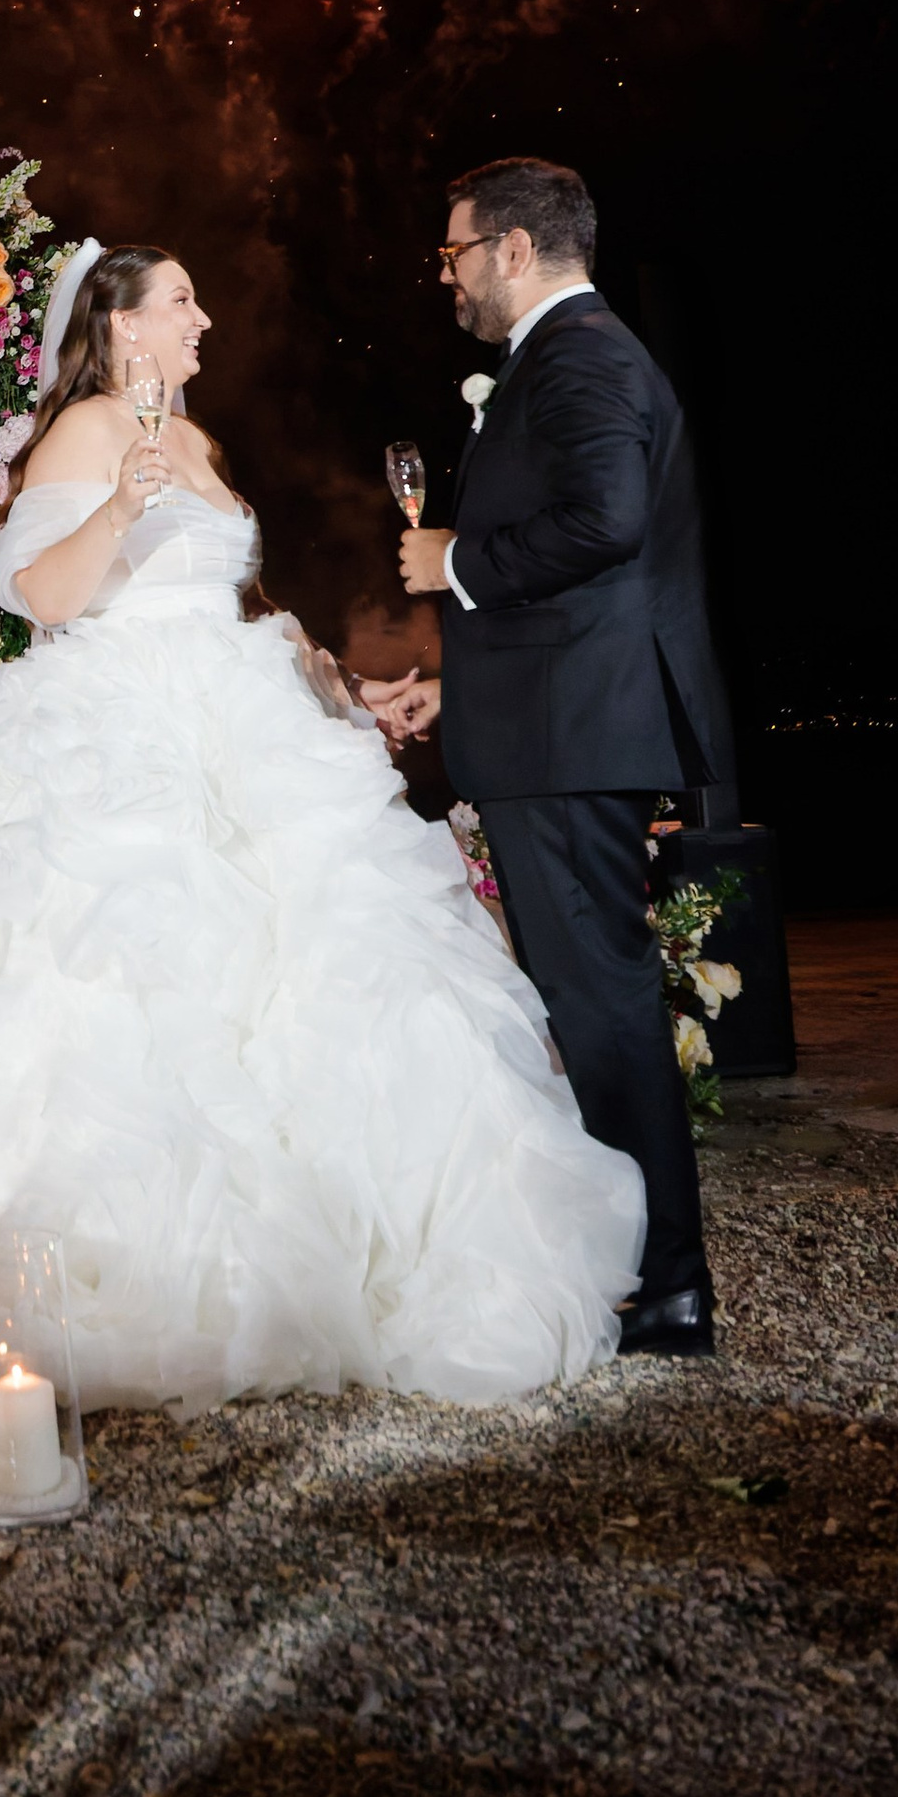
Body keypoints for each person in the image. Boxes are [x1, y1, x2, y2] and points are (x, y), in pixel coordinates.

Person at [0, 239, 646, 1411]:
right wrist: (119, 502)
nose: (206, 321)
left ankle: (353, 1254)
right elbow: (40, 595)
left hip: (243, 720)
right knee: (148, 975)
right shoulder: (88, 431)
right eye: (183, 302)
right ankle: (160, 1280)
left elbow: (242, 610)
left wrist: (350, 688)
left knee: (318, 963)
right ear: (123, 326)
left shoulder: (196, 439)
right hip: (117, 735)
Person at [394, 157, 731, 1359]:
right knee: (591, 1000)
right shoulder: (567, 353)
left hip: (573, 735)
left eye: (454, 252)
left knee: (600, 1004)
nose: (448, 276)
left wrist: (456, 567)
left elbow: (606, 519)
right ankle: (641, 1266)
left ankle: (667, 1283)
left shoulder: (581, 353)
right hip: (557, 715)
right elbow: (591, 573)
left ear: (515, 250)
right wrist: (454, 680)